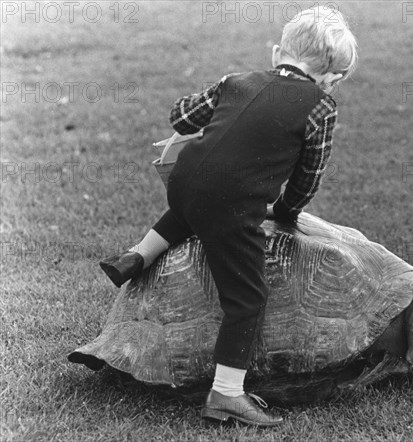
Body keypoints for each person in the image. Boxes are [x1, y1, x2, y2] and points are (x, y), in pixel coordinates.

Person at [99, 5, 357, 426]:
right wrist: (286, 213)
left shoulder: (234, 81)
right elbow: (307, 181)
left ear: (277, 54)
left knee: (189, 211)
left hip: (184, 180)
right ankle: (227, 394)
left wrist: (218, 105)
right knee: (247, 299)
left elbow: (180, 117)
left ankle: (136, 256)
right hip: (233, 204)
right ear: (333, 79)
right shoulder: (320, 108)